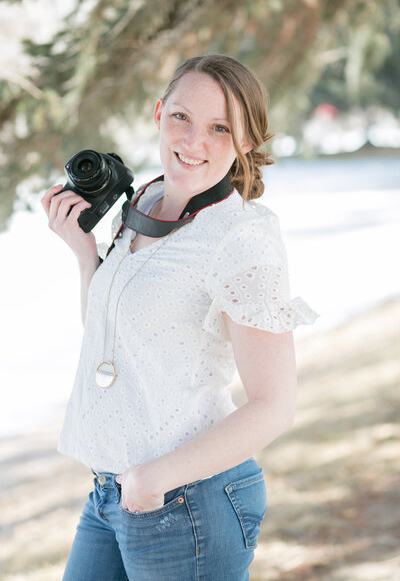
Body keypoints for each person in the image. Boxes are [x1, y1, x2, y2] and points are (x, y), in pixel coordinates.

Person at [41, 54, 317, 581]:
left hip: (188, 502)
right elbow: (114, 342)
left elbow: (274, 405)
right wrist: (84, 255)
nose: (194, 141)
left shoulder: (240, 238)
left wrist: (153, 479)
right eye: (182, 118)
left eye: (220, 128)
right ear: (158, 114)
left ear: (247, 144)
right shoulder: (143, 201)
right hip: (110, 493)